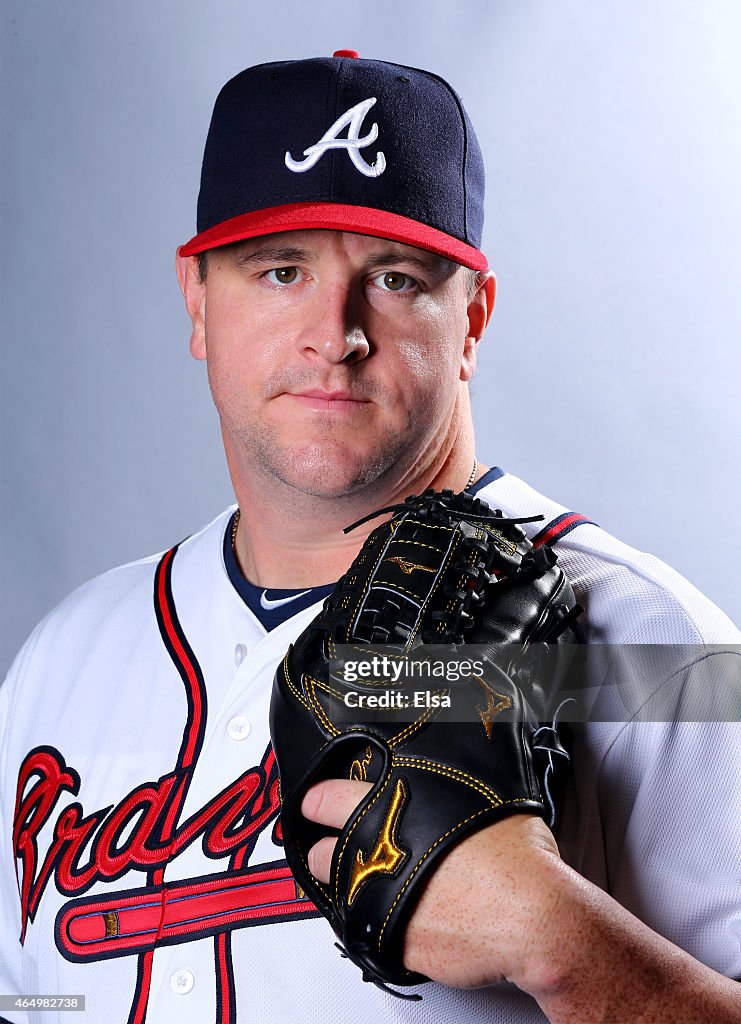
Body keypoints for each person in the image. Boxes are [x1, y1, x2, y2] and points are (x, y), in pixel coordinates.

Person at [1, 51, 739, 1024]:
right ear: (196, 299)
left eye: (393, 278)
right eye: (280, 270)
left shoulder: (659, 652)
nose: (334, 331)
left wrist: (565, 945)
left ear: (472, 316)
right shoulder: (66, 658)